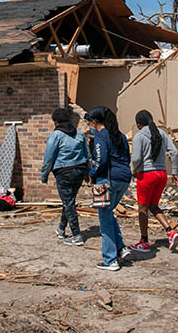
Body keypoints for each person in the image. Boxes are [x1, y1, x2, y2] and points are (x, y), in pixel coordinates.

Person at [86, 106, 133, 271]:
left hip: (106, 180)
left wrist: (92, 173)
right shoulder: (120, 136)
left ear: (95, 121)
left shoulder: (100, 136)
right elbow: (127, 157)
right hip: (124, 178)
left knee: (104, 220)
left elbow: (100, 159)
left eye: (89, 122)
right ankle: (121, 248)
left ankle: (110, 260)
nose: (89, 125)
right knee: (109, 214)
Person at [129, 109, 178, 253]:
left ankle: (144, 241)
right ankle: (170, 231)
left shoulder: (139, 136)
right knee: (153, 205)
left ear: (139, 124)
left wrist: (135, 170)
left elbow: (137, 158)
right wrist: (174, 171)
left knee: (143, 208)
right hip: (162, 174)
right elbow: (174, 152)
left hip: (146, 175)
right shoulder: (162, 133)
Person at [41, 107, 90, 246]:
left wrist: (44, 175)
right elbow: (87, 155)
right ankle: (61, 229)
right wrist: (87, 171)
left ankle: (76, 235)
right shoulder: (79, 134)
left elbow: (49, 158)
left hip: (64, 173)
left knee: (68, 203)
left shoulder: (55, 136)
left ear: (56, 122)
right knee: (69, 201)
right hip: (79, 171)